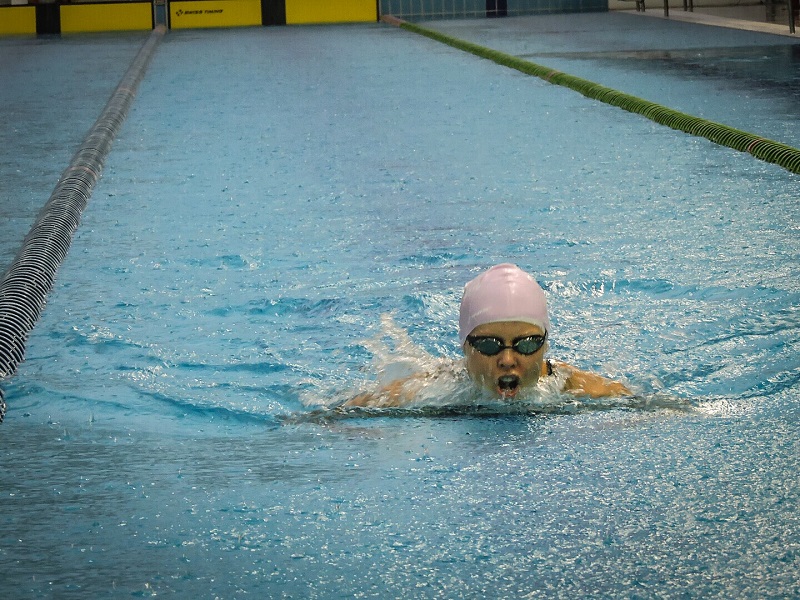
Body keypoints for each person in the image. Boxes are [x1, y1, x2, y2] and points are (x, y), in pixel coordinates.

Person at [345, 263, 631, 408]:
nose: (508, 360)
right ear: (465, 346)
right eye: (489, 344)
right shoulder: (432, 388)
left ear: (545, 345)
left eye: (526, 344)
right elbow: (346, 412)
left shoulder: (579, 388)